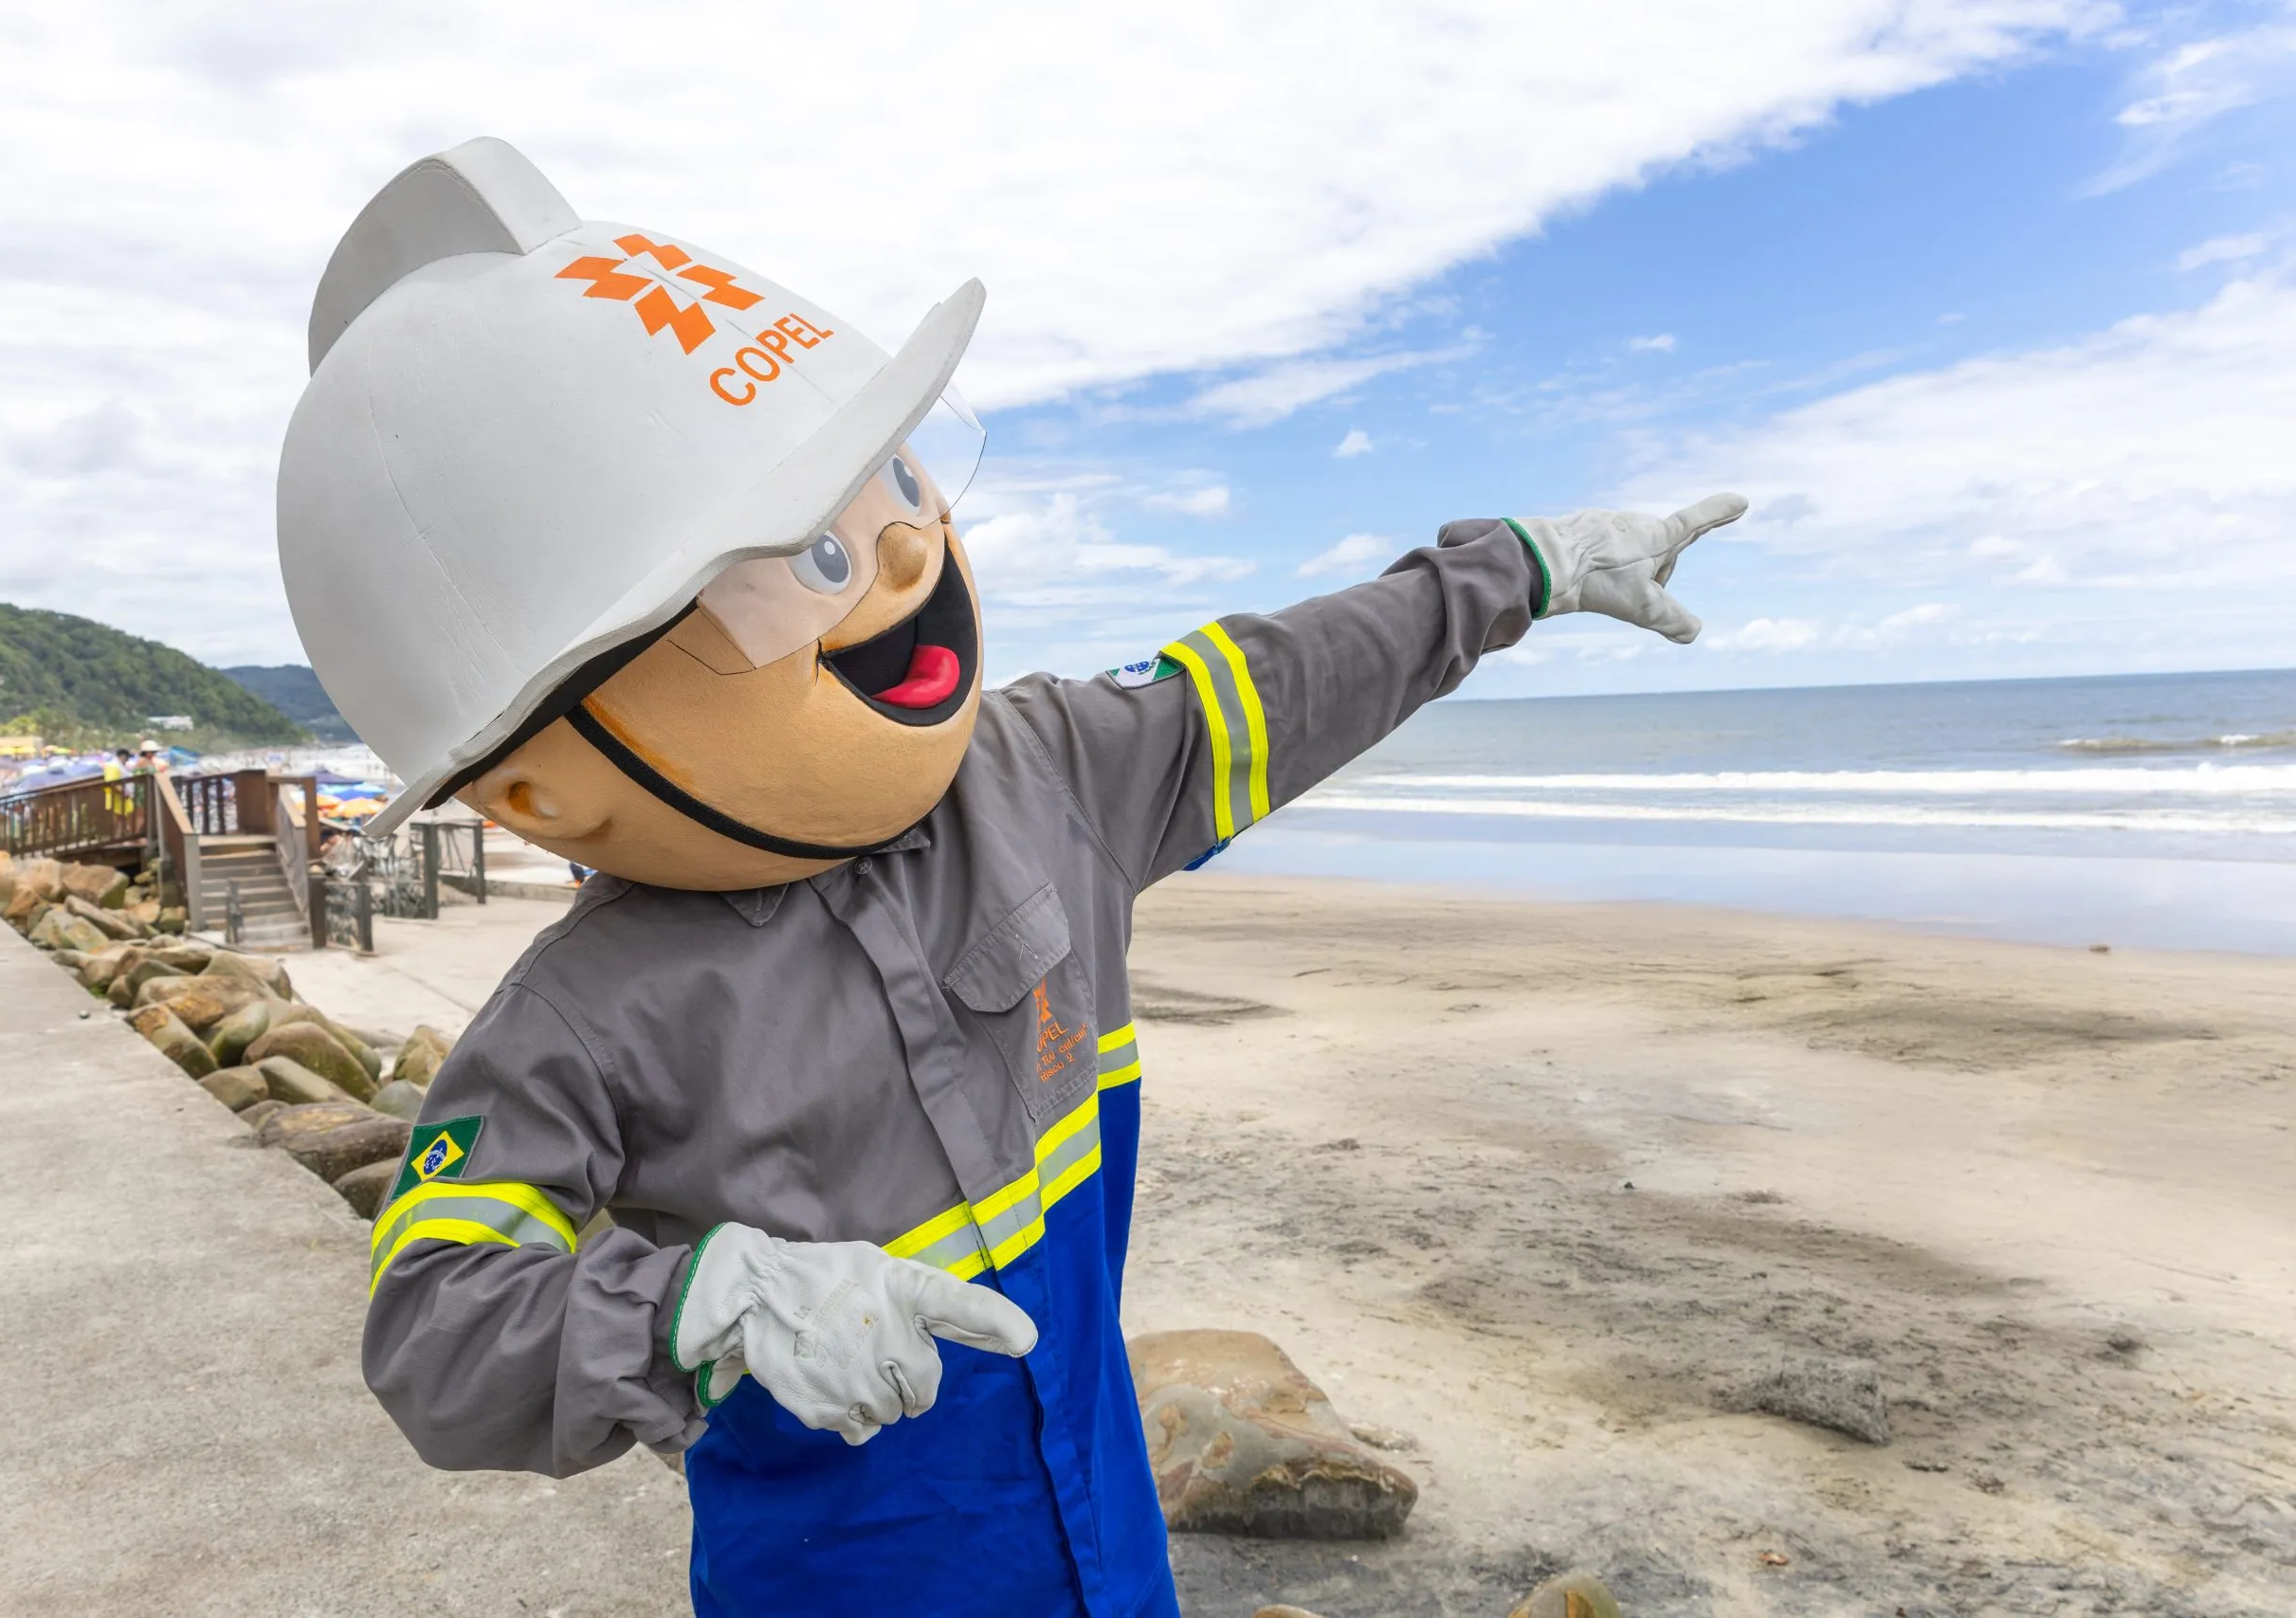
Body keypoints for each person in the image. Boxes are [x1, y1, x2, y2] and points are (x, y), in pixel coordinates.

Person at [280, 139, 1740, 1618]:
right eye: (794, 565)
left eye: (897, 481)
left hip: (1112, 1562)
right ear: (536, 783)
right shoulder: (588, 1017)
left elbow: (1284, 678)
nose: (904, 558)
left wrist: (1518, 570)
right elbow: (434, 1328)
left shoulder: (1047, 776)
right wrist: (700, 1305)